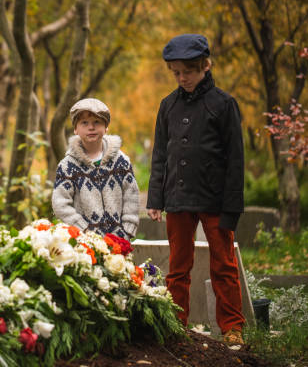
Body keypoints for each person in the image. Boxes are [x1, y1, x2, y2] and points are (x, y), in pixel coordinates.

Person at [146, 34, 245, 345]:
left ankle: (232, 328)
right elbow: (160, 154)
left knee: (224, 266)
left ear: (205, 66)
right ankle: (177, 327)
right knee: (177, 268)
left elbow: (235, 160)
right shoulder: (168, 105)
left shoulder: (224, 104)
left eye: (188, 71)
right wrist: (156, 198)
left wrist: (231, 210)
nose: (182, 78)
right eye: (176, 72)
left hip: (215, 201)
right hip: (177, 200)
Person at [52, 98, 140, 240]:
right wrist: (82, 229)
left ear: (106, 127)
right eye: (84, 123)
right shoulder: (67, 166)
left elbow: (131, 195)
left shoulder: (121, 161)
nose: (91, 127)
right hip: (85, 244)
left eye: (97, 122)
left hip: (119, 241)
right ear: (75, 129)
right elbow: (60, 203)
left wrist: (127, 230)